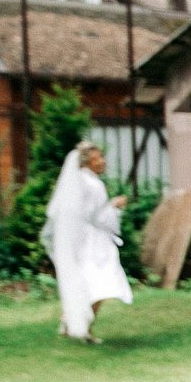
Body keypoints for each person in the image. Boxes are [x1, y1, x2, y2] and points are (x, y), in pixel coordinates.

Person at [43, 140, 131, 344]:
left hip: (82, 239)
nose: (103, 161)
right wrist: (115, 206)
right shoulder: (93, 184)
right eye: (98, 158)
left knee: (88, 282)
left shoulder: (78, 181)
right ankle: (84, 327)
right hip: (94, 241)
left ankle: (71, 320)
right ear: (88, 162)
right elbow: (96, 216)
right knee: (103, 283)